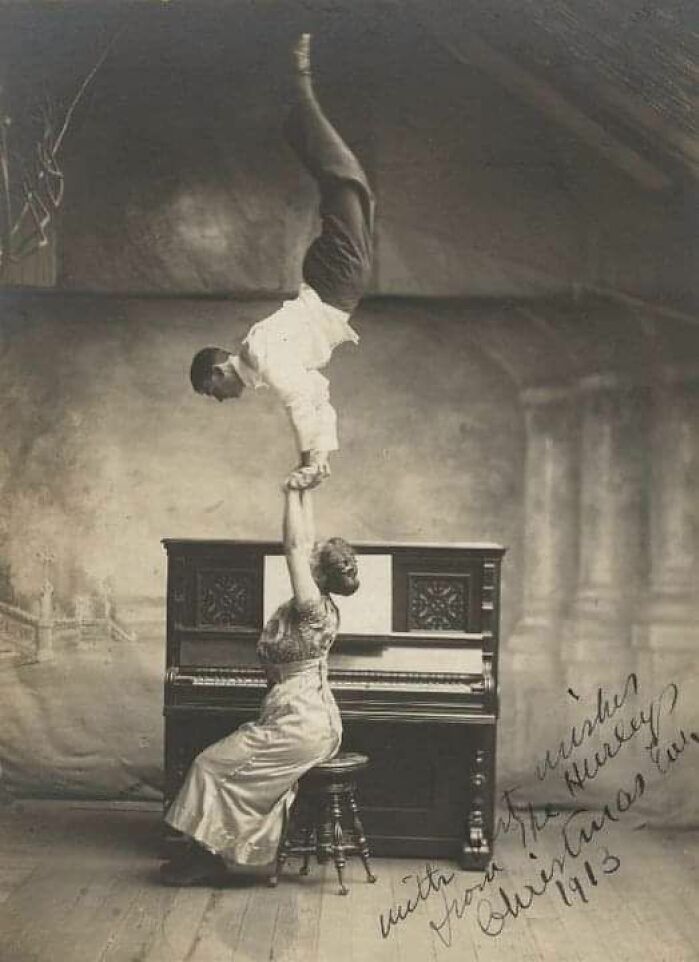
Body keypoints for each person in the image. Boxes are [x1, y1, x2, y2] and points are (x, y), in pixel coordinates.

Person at [189, 33, 375, 490]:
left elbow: (297, 399)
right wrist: (321, 455)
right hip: (335, 284)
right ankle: (296, 114)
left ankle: (300, 78)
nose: (222, 401)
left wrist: (308, 460)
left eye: (214, 394)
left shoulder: (259, 354)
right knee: (348, 184)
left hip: (336, 280)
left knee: (346, 180)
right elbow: (316, 393)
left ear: (218, 372)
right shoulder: (263, 365)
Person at [160, 482, 359, 885]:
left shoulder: (310, 608)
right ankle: (208, 854)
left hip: (302, 724)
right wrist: (306, 487)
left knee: (210, 765)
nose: (308, 549)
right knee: (220, 768)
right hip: (300, 717)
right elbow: (303, 541)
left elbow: (292, 548)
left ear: (316, 572)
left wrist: (289, 493)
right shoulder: (318, 606)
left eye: (313, 556)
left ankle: (207, 857)